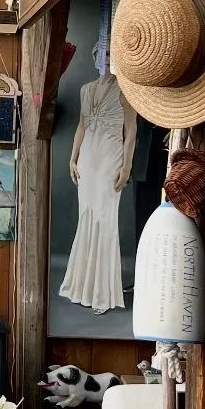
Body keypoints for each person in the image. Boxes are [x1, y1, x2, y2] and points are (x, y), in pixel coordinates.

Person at [60, 69, 136, 314]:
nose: (102, 59)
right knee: (87, 217)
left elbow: (131, 131)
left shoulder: (126, 91)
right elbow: (81, 125)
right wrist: (73, 159)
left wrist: (126, 167)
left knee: (105, 219)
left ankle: (102, 293)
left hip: (110, 158)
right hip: (88, 159)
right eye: (98, 54)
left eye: (106, 55)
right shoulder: (86, 89)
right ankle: (82, 287)